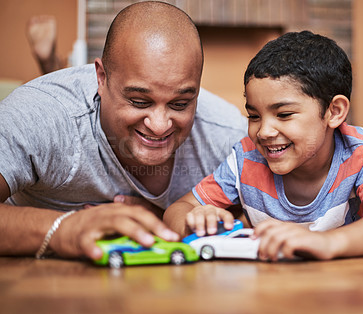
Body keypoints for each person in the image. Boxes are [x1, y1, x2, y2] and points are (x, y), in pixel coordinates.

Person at [0, 2, 247, 260]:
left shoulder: (225, 131)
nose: (160, 124)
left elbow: (276, 212)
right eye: (140, 102)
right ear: (102, 78)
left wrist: (168, 220)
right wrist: (65, 229)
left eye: (180, 104)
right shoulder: (43, 112)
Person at [164, 31, 363, 261]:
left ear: (334, 112)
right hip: (271, 289)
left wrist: (326, 242)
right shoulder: (247, 159)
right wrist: (194, 220)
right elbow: (178, 208)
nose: (264, 132)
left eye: (284, 114)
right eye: (254, 116)